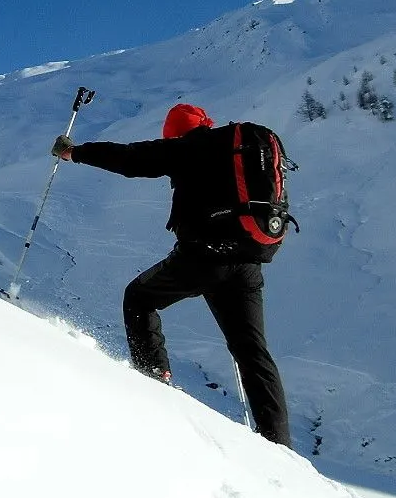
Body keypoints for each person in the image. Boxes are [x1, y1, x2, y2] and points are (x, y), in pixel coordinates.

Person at [51, 103, 293, 449]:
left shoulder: (186, 148)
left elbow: (129, 159)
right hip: (247, 261)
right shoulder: (234, 145)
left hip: (203, 257)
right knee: (252, 351)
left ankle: (154, 382)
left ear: (175, 131)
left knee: (139, 298)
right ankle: (278, 443)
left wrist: (74, 153)